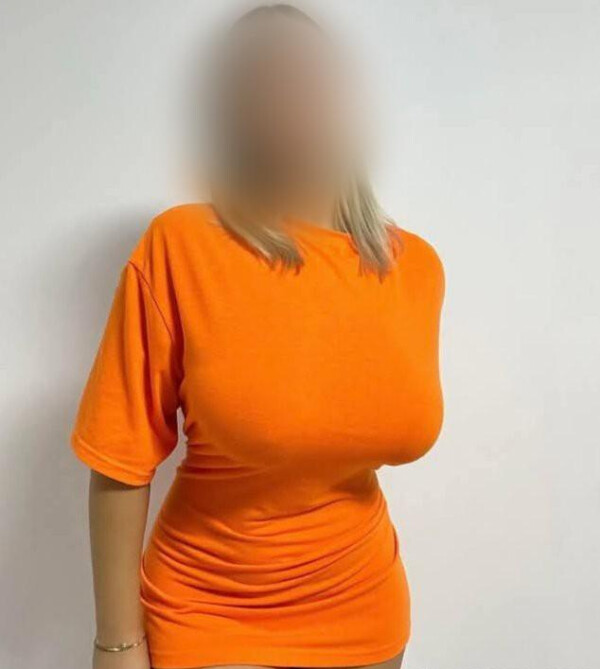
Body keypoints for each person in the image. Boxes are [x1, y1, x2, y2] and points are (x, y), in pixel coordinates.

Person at [71, 5, 445, 669]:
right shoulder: (183, 247)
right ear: (233, 111)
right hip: (210, 611)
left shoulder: (415, 267)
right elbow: (120, 461)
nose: (286, 94)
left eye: (306, 73)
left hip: (366, 613)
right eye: (260, 78)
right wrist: (116, 642)